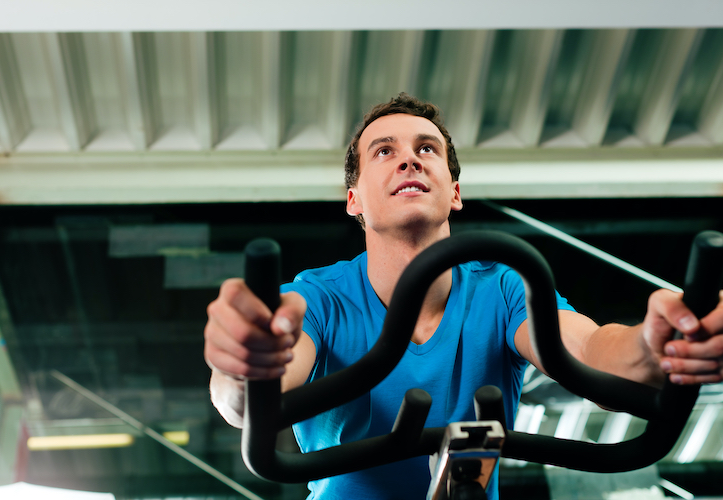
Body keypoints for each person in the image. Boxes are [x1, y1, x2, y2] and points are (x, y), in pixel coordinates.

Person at [204, 93, 723, 499]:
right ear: (354, 200)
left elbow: (589, 350)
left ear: (453, 191)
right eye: (384, 151)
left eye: (426, 149)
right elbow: (247, 400)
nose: (409, 160)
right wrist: (242, 364)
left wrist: (659, 346)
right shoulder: (319, 299)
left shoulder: (502, 288)